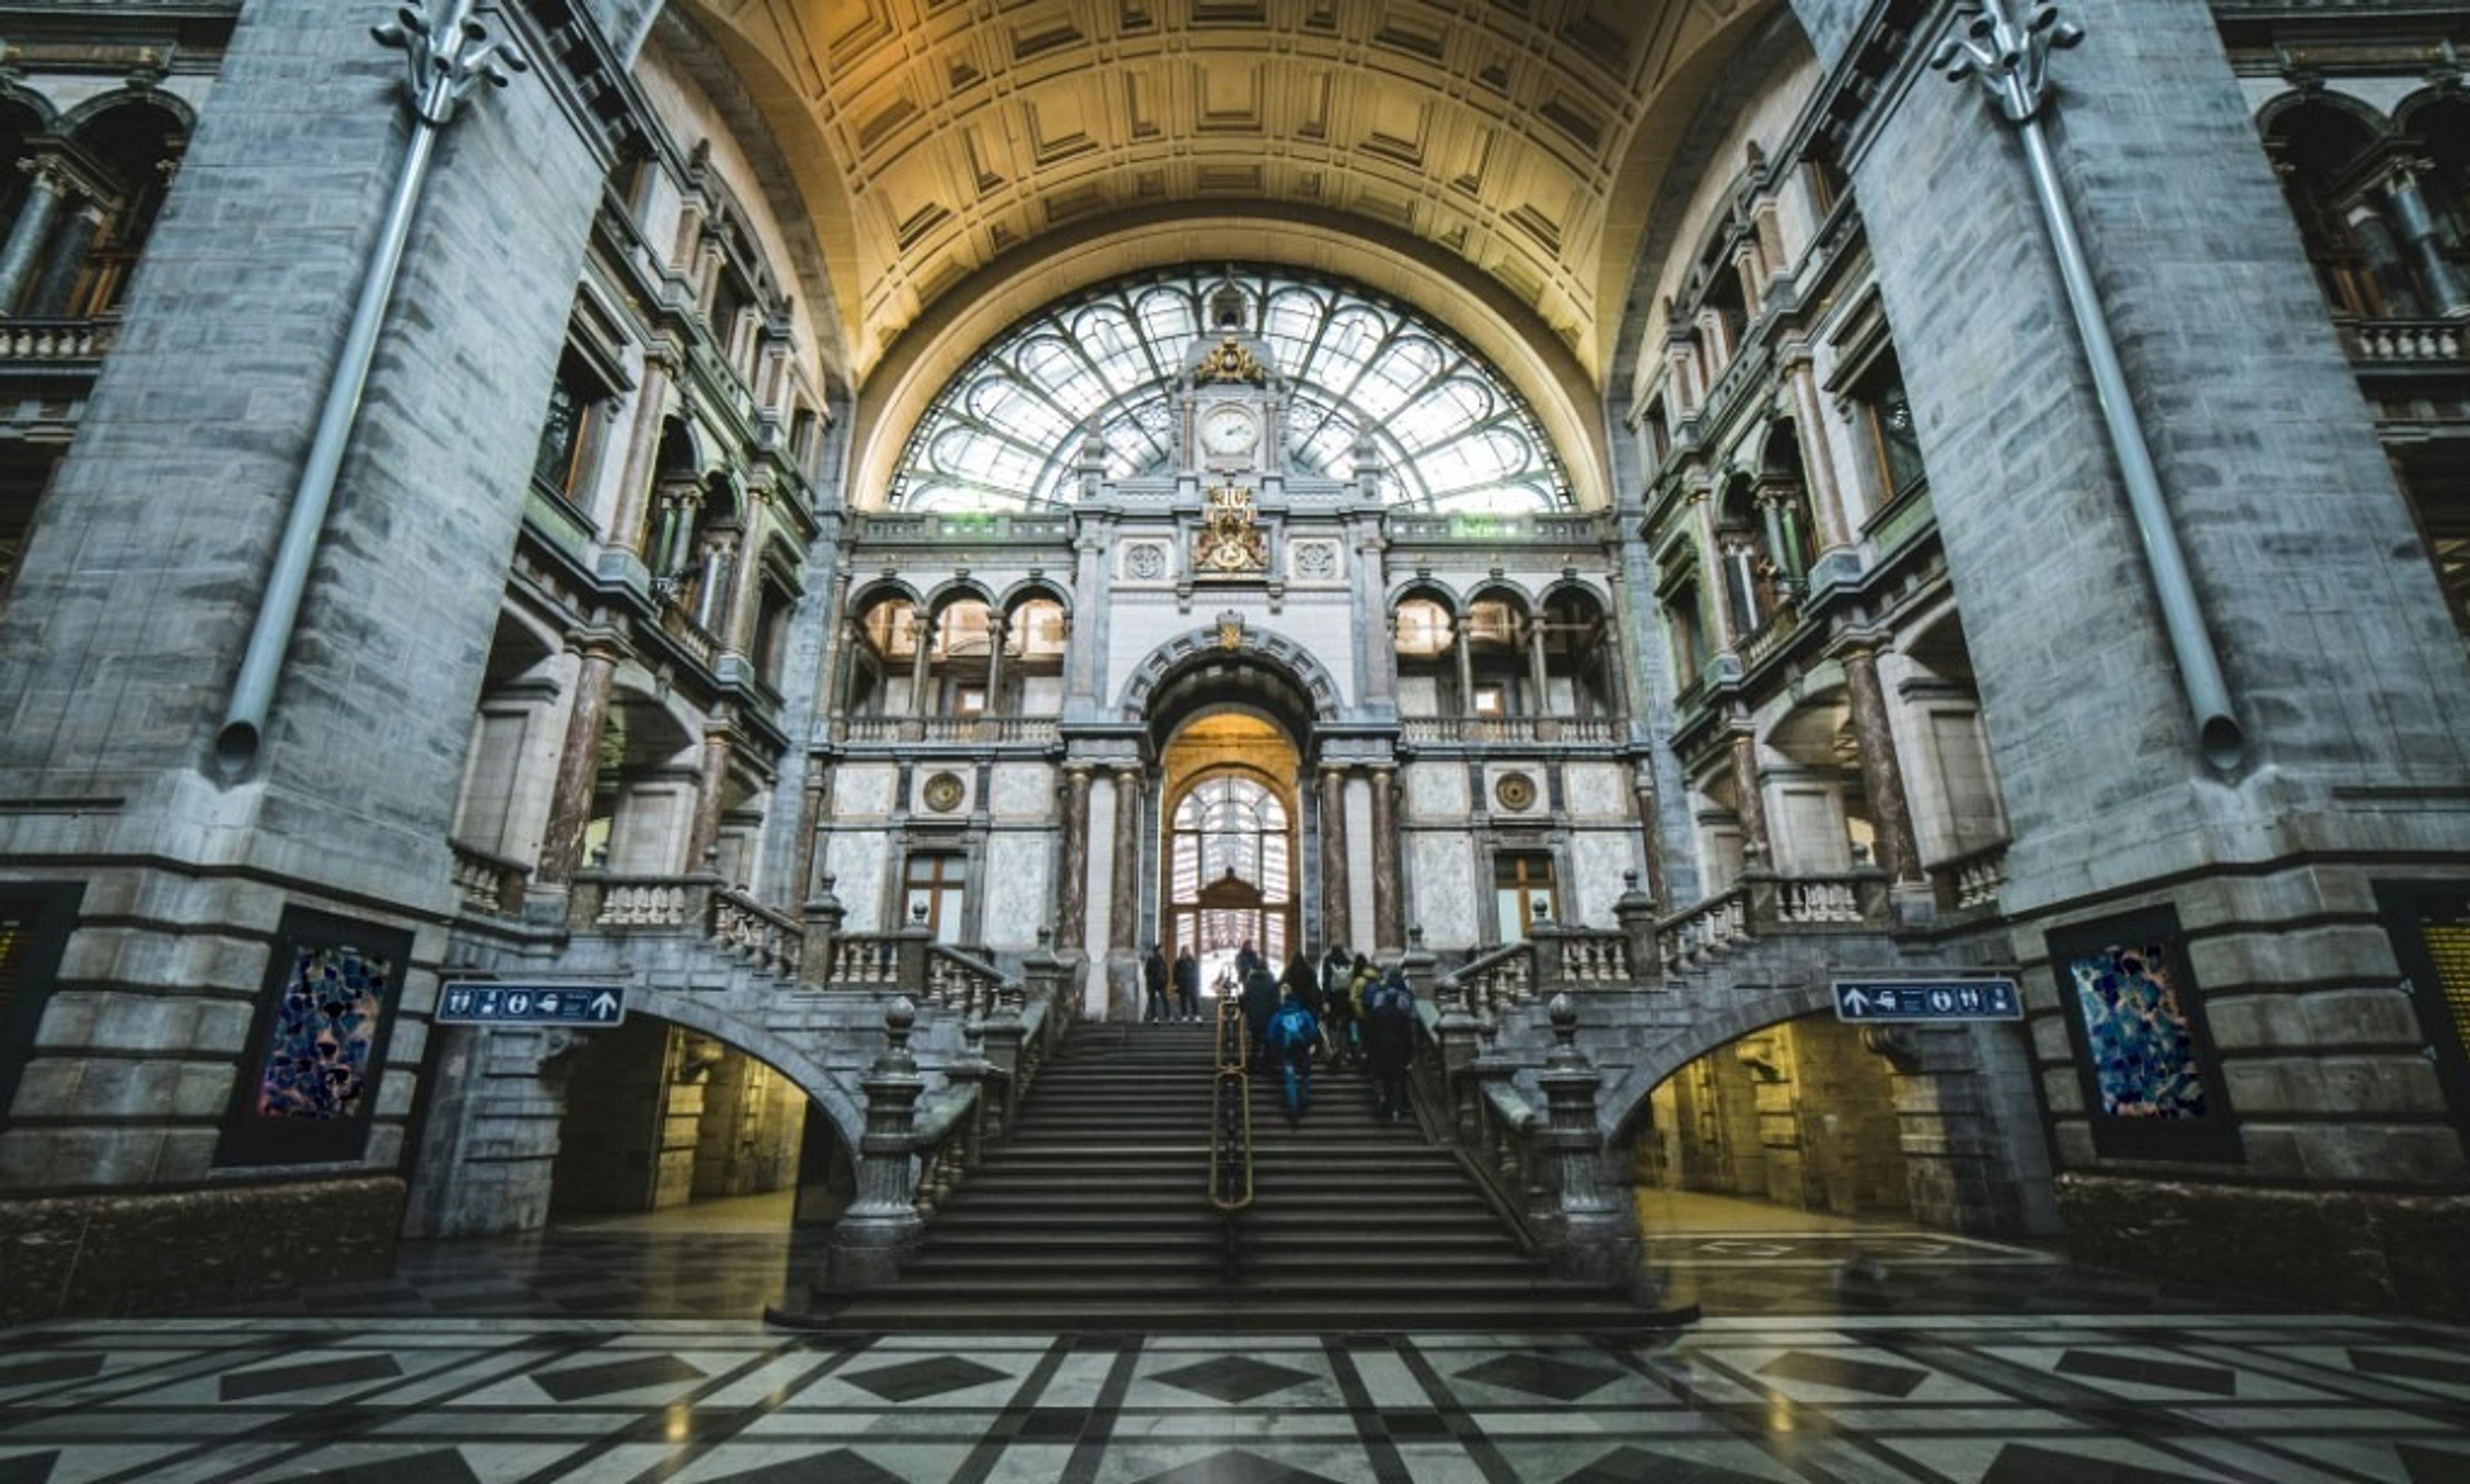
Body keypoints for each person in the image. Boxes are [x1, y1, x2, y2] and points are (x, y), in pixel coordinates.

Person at [1363, 964, 1418, 1123]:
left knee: (1379, 1075)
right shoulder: (1402, 1014)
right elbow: (1408, 1035)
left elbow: (1369, 1032)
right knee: (1396, 1080)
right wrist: (1409, 1057)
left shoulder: (1377, 1011)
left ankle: (1381, 1096)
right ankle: (1395, 1111)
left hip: (1379, 1048)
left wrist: (1367, 1049)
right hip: (1398, 1049)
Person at [1264, 985, 1322, 1125]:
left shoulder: (1278, 1016)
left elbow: (1270, 1035)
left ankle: (1293, 1109)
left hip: (1287, 1052)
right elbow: (1313, 1031)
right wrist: (1310, 1044)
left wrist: (1276, 1049)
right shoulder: (1304, 1014)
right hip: (1303, 1050)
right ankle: (1304, 1099)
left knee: (1290, 1080)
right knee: (1306, 1075)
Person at [1319, 942, 1357, 1063]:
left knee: (1333, 1025)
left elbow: (1326, 981)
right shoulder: (1348, 961)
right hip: (1346, 999)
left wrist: (1325, 1000)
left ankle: (1334, 1050)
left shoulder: (1328, 960)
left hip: (1333, 999)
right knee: (1345, 1026)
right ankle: (1344, 1054)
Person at [1278, 950, 1320, 1019]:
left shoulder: (1287, 974)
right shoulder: (1310, 973)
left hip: (1291, 1013)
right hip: (1308, 1010)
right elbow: (1315, 992)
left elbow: (1281, 991)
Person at [1142, 943, 1170, 1023]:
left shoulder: (1163, 960)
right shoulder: (1151, 959)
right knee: (1152, 1000)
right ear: (1157, 951)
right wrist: (1151, 980)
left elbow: (1166, 972)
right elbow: (1147, 972)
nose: (1163, 951)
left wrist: (1166, 981)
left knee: (1164, 999)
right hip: (1153, 983)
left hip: (1161, 983)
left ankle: (1167, 1015)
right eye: (1161, 950)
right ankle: (1154, 1016)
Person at [1173, 947, 1200, 1021]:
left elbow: (1197, 973)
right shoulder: (1178, 962)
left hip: (1192, 984)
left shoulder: (1193, 961)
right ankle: (1184, 1015)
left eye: (1187, 951)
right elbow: (1175, 973)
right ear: (1182, 952)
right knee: (1183, 1000)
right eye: (1184, 951)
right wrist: (1175, 984)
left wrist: (1197, 984)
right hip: (1182, 984)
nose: (1185, 953)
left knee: (1194, 1000)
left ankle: (1196, 1015)